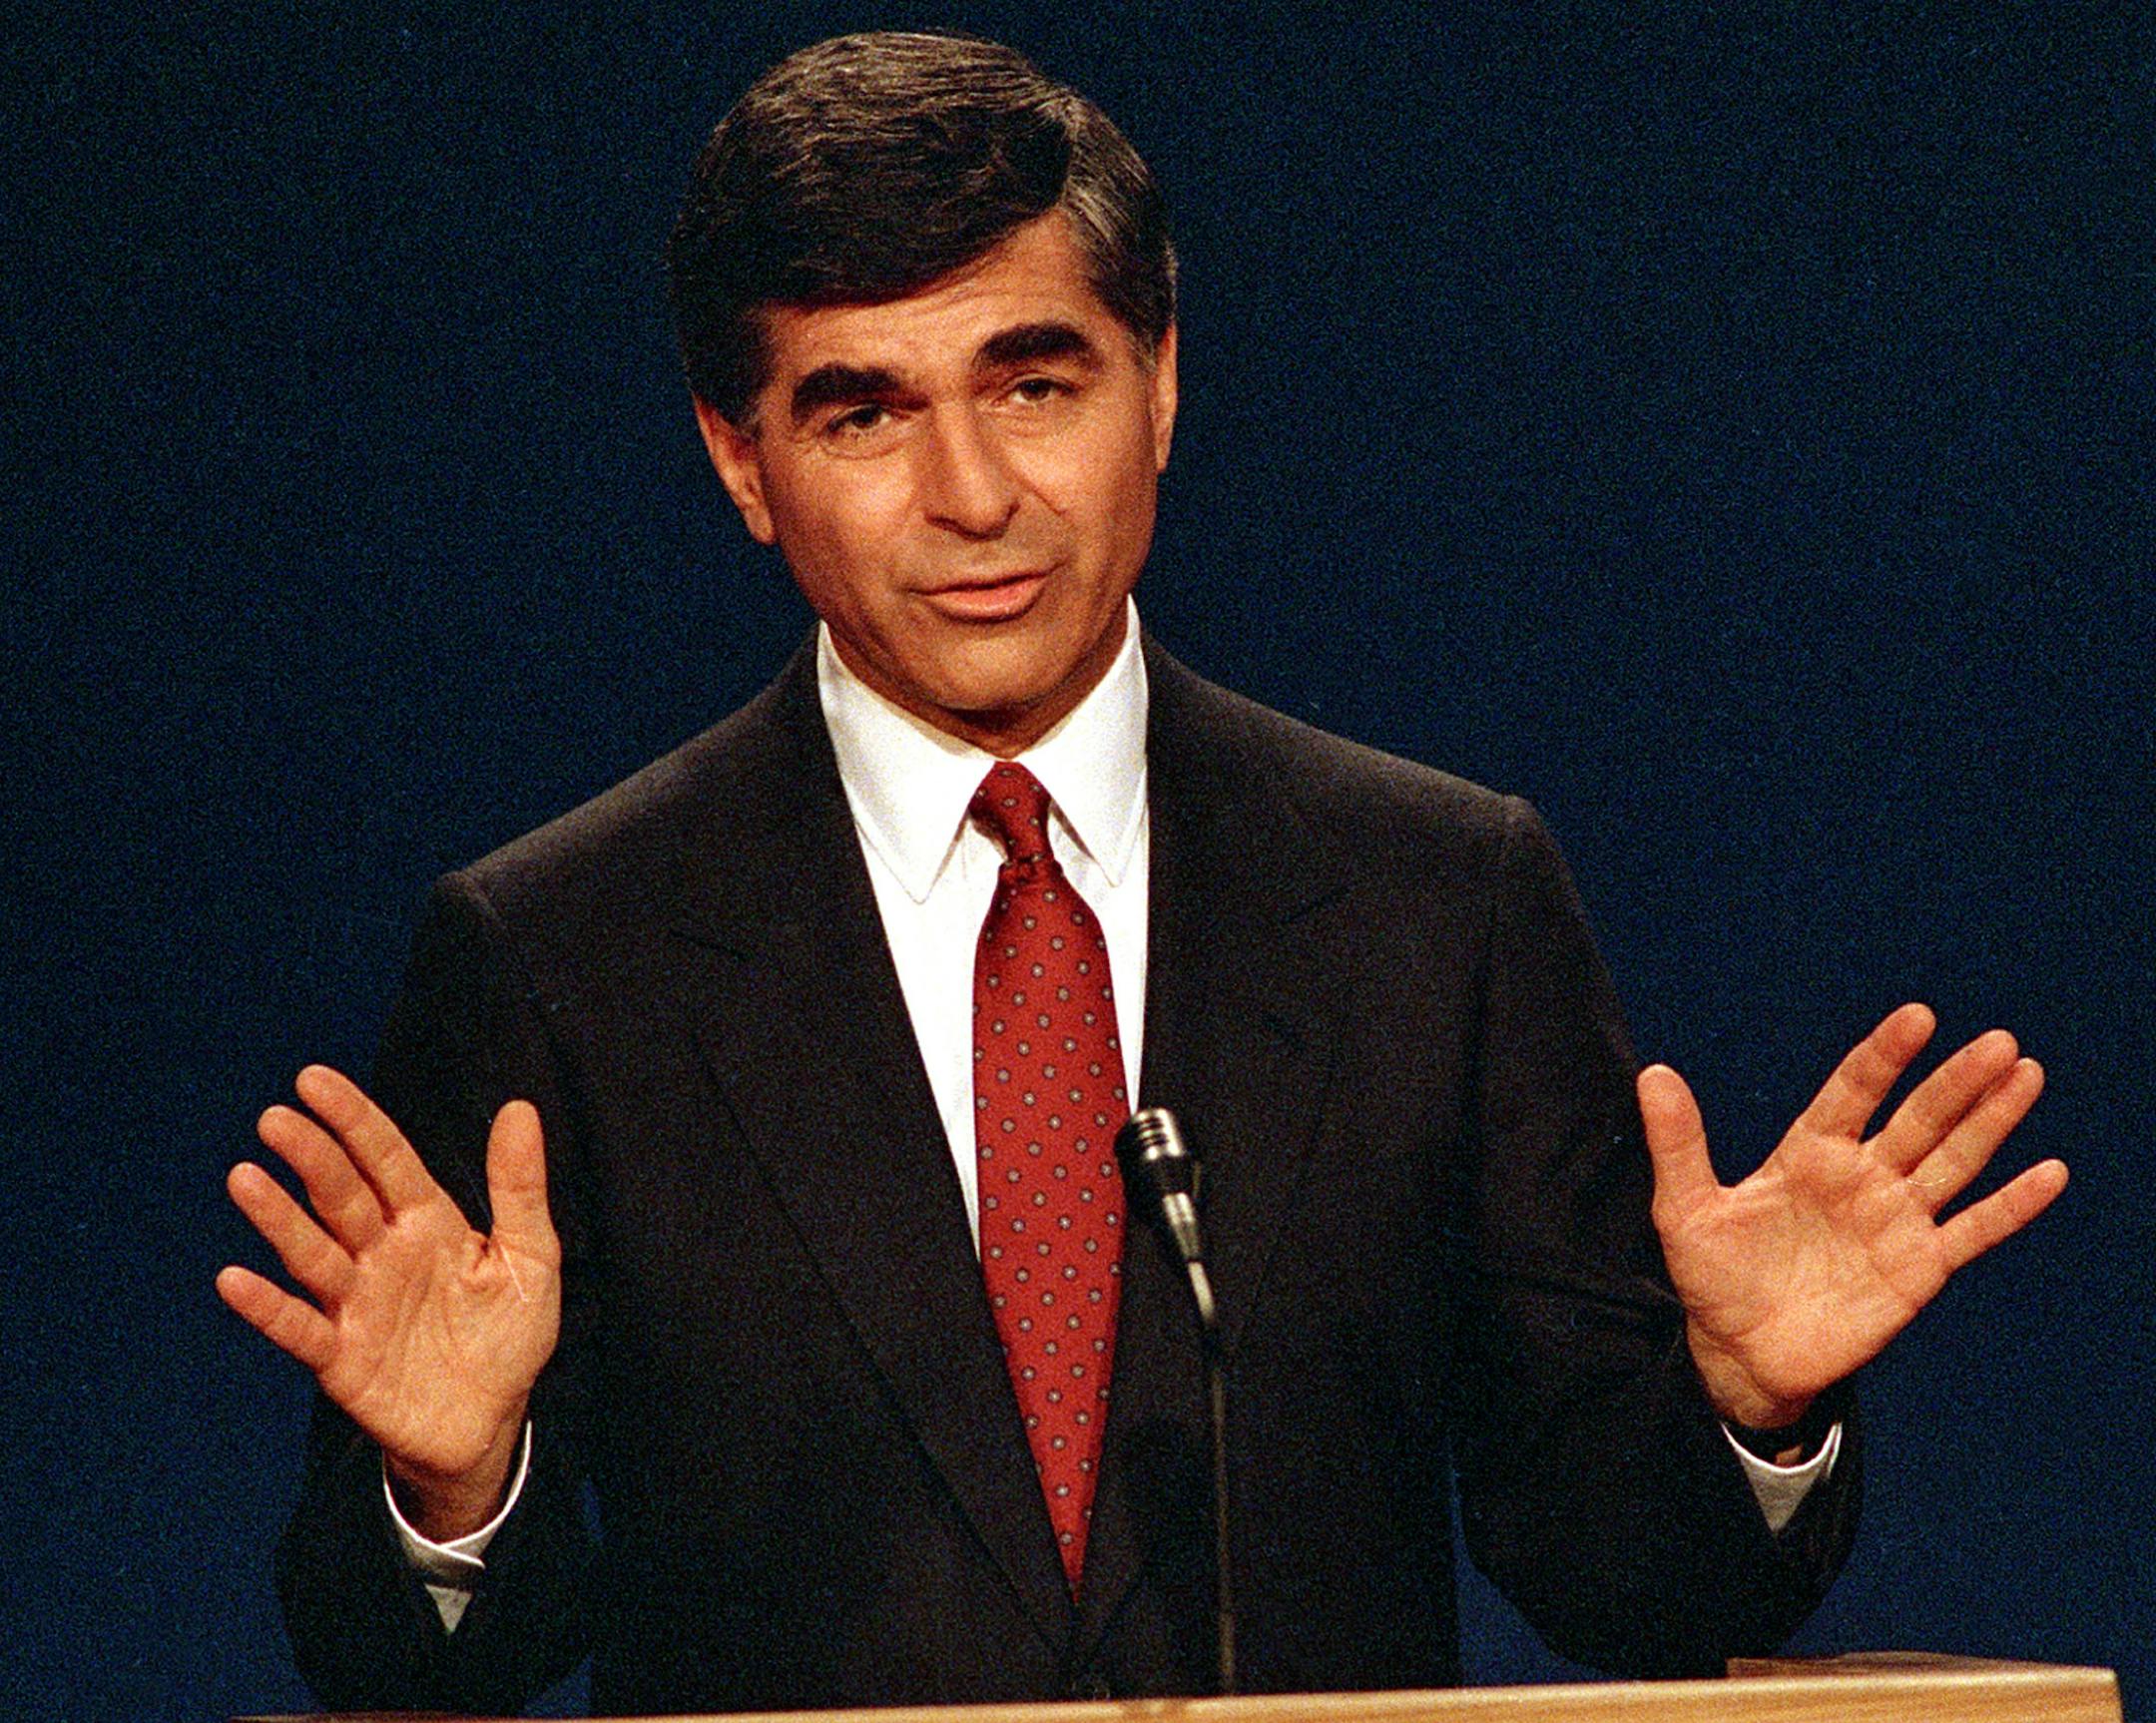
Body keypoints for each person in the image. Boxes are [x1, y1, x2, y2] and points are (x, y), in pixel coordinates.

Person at [216, 31, 2067, 1717]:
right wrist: (454, 1490)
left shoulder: (1441, 895)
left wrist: (1748, 1411)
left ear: (1162, 384)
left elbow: (1626, 1587)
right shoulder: (563, 951)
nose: (973, 493)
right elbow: (409, 1673)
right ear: (741, 460)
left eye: (1037, 383)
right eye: (864, 412)